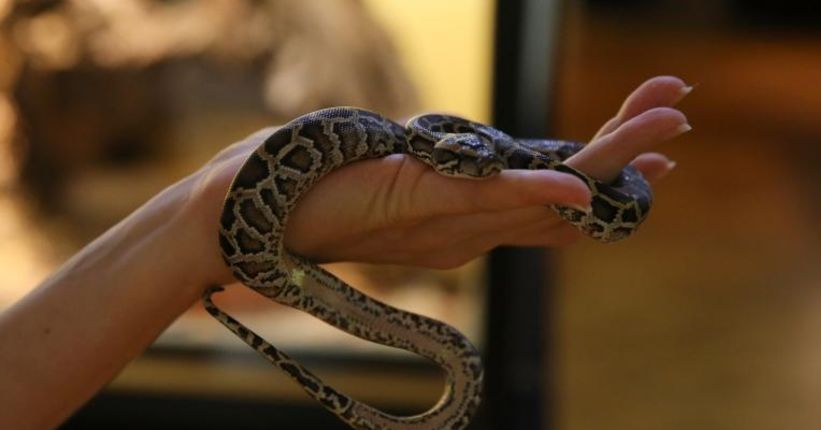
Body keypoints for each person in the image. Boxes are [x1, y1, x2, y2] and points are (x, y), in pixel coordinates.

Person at [0, 76, 691, 429]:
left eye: (487, 159)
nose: (483, 166)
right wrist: (206, 224)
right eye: (468, 161)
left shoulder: (443, 141)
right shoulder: (414, 139)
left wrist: (198, 221)